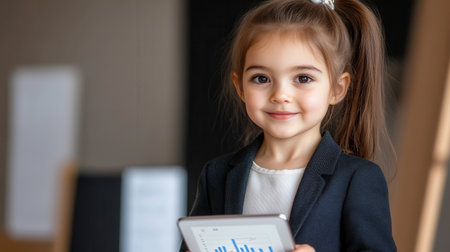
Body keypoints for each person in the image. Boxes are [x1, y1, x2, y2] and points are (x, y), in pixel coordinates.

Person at [182, 0, 397, 251]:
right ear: (239, 86)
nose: (280, 95)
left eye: (303, 78)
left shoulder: (356, 178)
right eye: (261, 78)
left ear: (337, 89)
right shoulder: (216, 175)